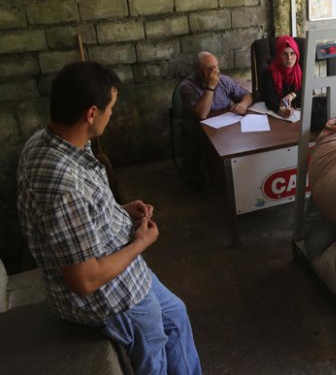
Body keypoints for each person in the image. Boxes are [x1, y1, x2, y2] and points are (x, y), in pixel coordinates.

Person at [16, 61, 202, 374]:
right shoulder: (63, 186)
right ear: (91, 113)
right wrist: (140, 243)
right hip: (109, 295)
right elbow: (84, 280)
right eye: (111, 108)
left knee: (177, 315)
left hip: (121, 268)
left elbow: (80, 216)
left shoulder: (48, 141)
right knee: (153, 350)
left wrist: (120, 210)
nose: (112, 115)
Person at [179, 51, 253, 187]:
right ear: (199, 72)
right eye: (211, 68)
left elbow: (247, 95)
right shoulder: (186, 87)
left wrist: (242, 104)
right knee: (195, 180)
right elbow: (201, 114)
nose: (216, 71)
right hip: (197, 132)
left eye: (217, 66)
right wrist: (211, 87)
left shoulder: (224, 80)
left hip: (223, 129)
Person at [261, 35, 302, 118]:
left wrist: (292, 95)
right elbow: (269, 98)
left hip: (298, 114)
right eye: (284, 54)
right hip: (275, 116)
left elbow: (306, 91)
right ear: (279, 55)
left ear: (297, 54)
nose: (289, 58)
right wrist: (280, 110)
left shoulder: (300, 70)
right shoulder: (269, 72)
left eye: (292, 53)